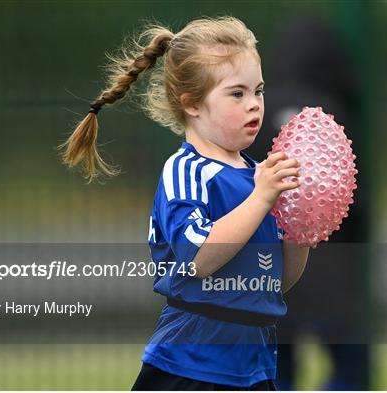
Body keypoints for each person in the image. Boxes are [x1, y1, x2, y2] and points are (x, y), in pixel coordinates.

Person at [59, 16, 310, 390]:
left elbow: (273, 282)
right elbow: (199, 259)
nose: (255, 105)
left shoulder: (260, 176)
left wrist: (301, 231)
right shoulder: (187, 170)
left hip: (254, 366)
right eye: (236, 93)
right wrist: (261, 197)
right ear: (192, 104)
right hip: (189, 366)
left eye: (258, 91)